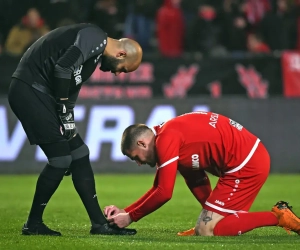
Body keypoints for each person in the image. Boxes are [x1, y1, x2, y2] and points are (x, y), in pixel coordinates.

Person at [8, 23, 143, 236]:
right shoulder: (94, 35)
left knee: (79, 154)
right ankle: (33, 224)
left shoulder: (92, 57)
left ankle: (99, 224)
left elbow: (69, 94)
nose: (118, 73)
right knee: (61, 159)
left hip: (42, 94)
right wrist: (61, 107)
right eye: (123, 68)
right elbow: (62, 68)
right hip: (30, 90)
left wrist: (67, 119)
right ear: (121, 53)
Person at [104, 111, 300, 236]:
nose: (139, 163)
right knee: (207, 224)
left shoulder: (166, 139)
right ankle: (211, 223)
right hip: (248, 157)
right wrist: (125, 211)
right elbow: (193, 178)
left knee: (208, 230)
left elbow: (164, 192)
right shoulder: (165, 136)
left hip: (247, 164)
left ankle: (280, 217)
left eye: (135, 157)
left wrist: (130, 217)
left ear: (142, 143)